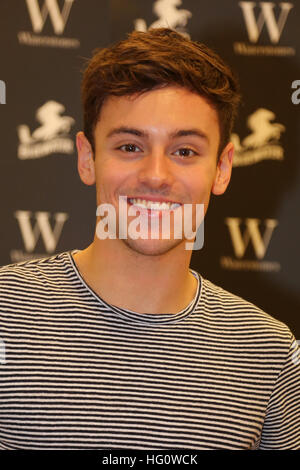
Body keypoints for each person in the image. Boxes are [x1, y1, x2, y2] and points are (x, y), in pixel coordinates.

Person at [0, 28, 299, 450]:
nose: (156, 176)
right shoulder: (5, 311)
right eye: (129, 146)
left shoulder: (268, 351)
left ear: (222, 168)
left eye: (185, 152)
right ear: (88, 159)